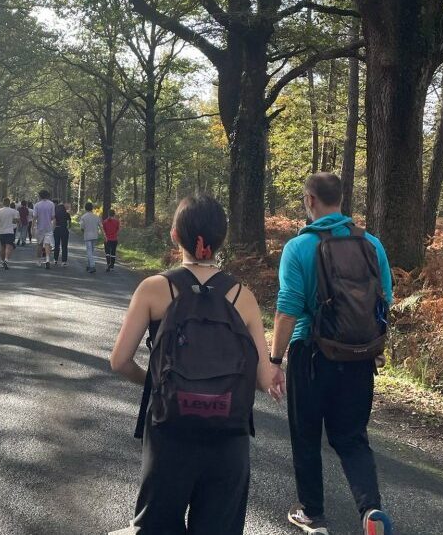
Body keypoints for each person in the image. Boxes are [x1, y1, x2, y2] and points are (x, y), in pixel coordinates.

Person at [110, 195, 283, 535]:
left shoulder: (154, 289)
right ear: (222, 240)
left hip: (169, 433)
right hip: (228, 439)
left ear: (175, 235)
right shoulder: (242, 296)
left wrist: (155, 381)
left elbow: (119, 361)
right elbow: (264, 377)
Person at [272, 173, 393, 535]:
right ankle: (370, 511)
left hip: (310, 355)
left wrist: (275, 361)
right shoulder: (371, 243)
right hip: (358, 356)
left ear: (310, 200)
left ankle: (313, 515)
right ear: (342, 198)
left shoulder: (299, 247)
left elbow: (287, 309)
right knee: (352, 438)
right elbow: (384, 298)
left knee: (306, 434)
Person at [0, 198, 19, 270]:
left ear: (3, 203)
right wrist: (13, 221)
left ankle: (2, 261)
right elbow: (16, 221)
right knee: (8, 246)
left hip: (1, 231)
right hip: (10, 231)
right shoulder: (13, 211)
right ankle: (6, 260)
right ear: (9, 203)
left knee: (2, 247)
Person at [34, 189, 55, 269]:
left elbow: (35, 217)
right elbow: (53, 217)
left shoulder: (37, 205)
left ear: (40, 196)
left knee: (39, 245)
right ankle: (47, 260)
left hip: (40, 227)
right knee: (47, 245)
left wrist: (32, 227)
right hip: (48, 227)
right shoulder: (51, 204)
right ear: (48, 195)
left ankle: (39, 261)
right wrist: (53, 226)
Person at [79, 202, 102, 273]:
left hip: (87, 236)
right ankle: (89, 265)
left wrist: (83, 231)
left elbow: (82, 227)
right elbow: (101, 226)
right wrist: (103, 234)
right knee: (91, 251)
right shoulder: (96, 216)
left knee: (89, 252)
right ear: (92, 208)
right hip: (95, 235)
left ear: (85, 208)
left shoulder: (83, 217)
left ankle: (92, 266)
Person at [53, 200, 72, 266]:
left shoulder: (56, 213)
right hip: (64, 229)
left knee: (56, 245)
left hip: (57, 229)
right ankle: (64, 261)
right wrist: (68, 227)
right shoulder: (67, 214)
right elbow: (69, 224)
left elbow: (54, 222)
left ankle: (55, 259)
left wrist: (54, 228)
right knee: (64, 246)